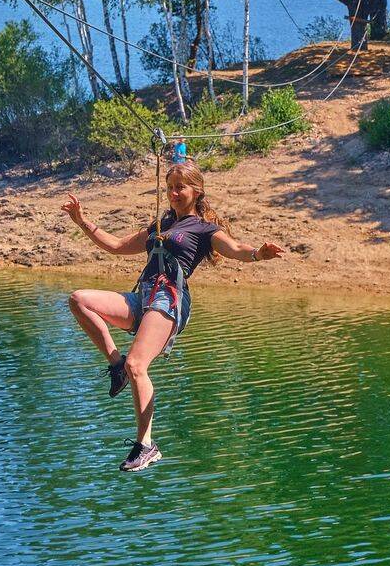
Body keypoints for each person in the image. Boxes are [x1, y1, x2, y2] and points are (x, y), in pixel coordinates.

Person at [62, 162, 283, 472]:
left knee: (137, 364)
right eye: (170, 188)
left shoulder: (205, 229)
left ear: (197, 191)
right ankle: (115, 364)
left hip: (170, 299)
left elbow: (235, 249)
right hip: (143, 297)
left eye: (181, 187)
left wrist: (258, 253)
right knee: (80, 300)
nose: (174, 193)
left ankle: (147, 445)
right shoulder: (160, 224)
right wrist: (81, 220)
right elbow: (115, 245)